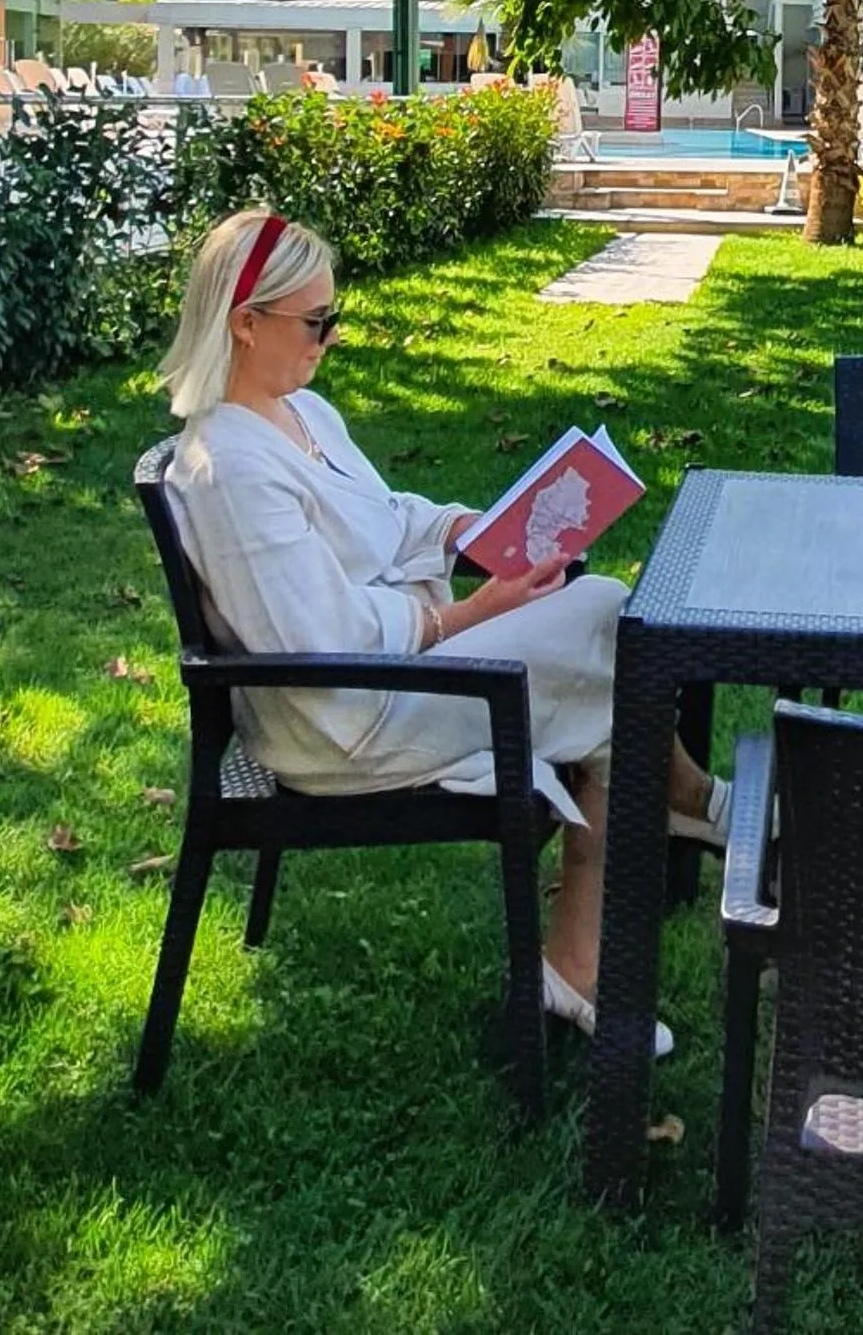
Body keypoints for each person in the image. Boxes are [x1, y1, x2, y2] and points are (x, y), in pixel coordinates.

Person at [156, 208, 726, 1056]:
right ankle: (688, 814)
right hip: (343, 720)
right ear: (245, 323)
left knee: (607, 636)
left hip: (395, 675)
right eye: (316, 321)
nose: (331, 337)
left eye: (333, 316)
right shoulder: (228, 470)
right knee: (612, 630)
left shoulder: (301, 413)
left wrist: (472, 531)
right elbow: (317, 644)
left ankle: (602, 925)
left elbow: (386, 517)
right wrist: (468, 612)